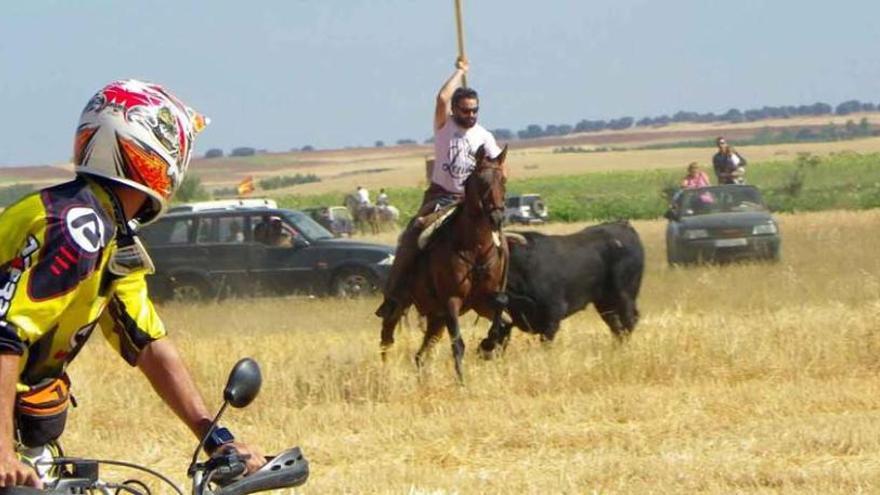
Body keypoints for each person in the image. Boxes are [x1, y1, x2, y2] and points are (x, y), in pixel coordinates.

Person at [0, 80, 265, 488]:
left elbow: (147, 342)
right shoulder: (76, 226)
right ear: (159, 154)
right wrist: (0, 450)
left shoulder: (109, 233)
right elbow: (4, 336)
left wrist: (217, 440)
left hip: (29, 436)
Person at [375, 57, 504, 319]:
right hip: (443, 197)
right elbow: (441, 98)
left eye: (474, 110)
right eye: (465, 110)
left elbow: (500, 166)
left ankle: (498, 292)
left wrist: (496, 189)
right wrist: (460, 71)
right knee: (415, 234)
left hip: (473, 203)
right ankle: (395, 295)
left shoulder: (485, 136)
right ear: (455, 110)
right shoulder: (444, 127)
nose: (470, 115)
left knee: (502, 244)